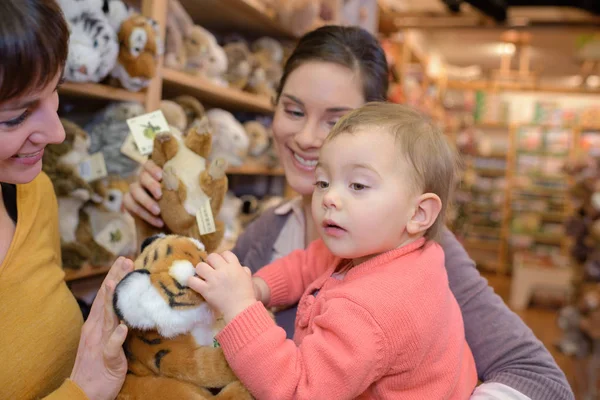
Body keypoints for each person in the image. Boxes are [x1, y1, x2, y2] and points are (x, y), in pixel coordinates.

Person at [124, 26, 574, 400]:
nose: (305, 136)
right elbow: (199, 332)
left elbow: (540, 380)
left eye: (337, 122)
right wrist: (159, 233)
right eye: (293, 110)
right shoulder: (269, 233)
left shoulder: (420, 252)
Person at [187, 102, 479, 399]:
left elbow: (298, 389)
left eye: (358, 185)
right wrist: (260, 287)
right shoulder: (400, 252)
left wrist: (240, 308)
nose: (330, 198)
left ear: (418, 214)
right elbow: (309, 263)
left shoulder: (370, 309)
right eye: (323, 182)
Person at [0, 1, 133, 399]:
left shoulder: (33, 189)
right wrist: (86, 390)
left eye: (54, 90)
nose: (57, 133)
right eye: (15, 117)